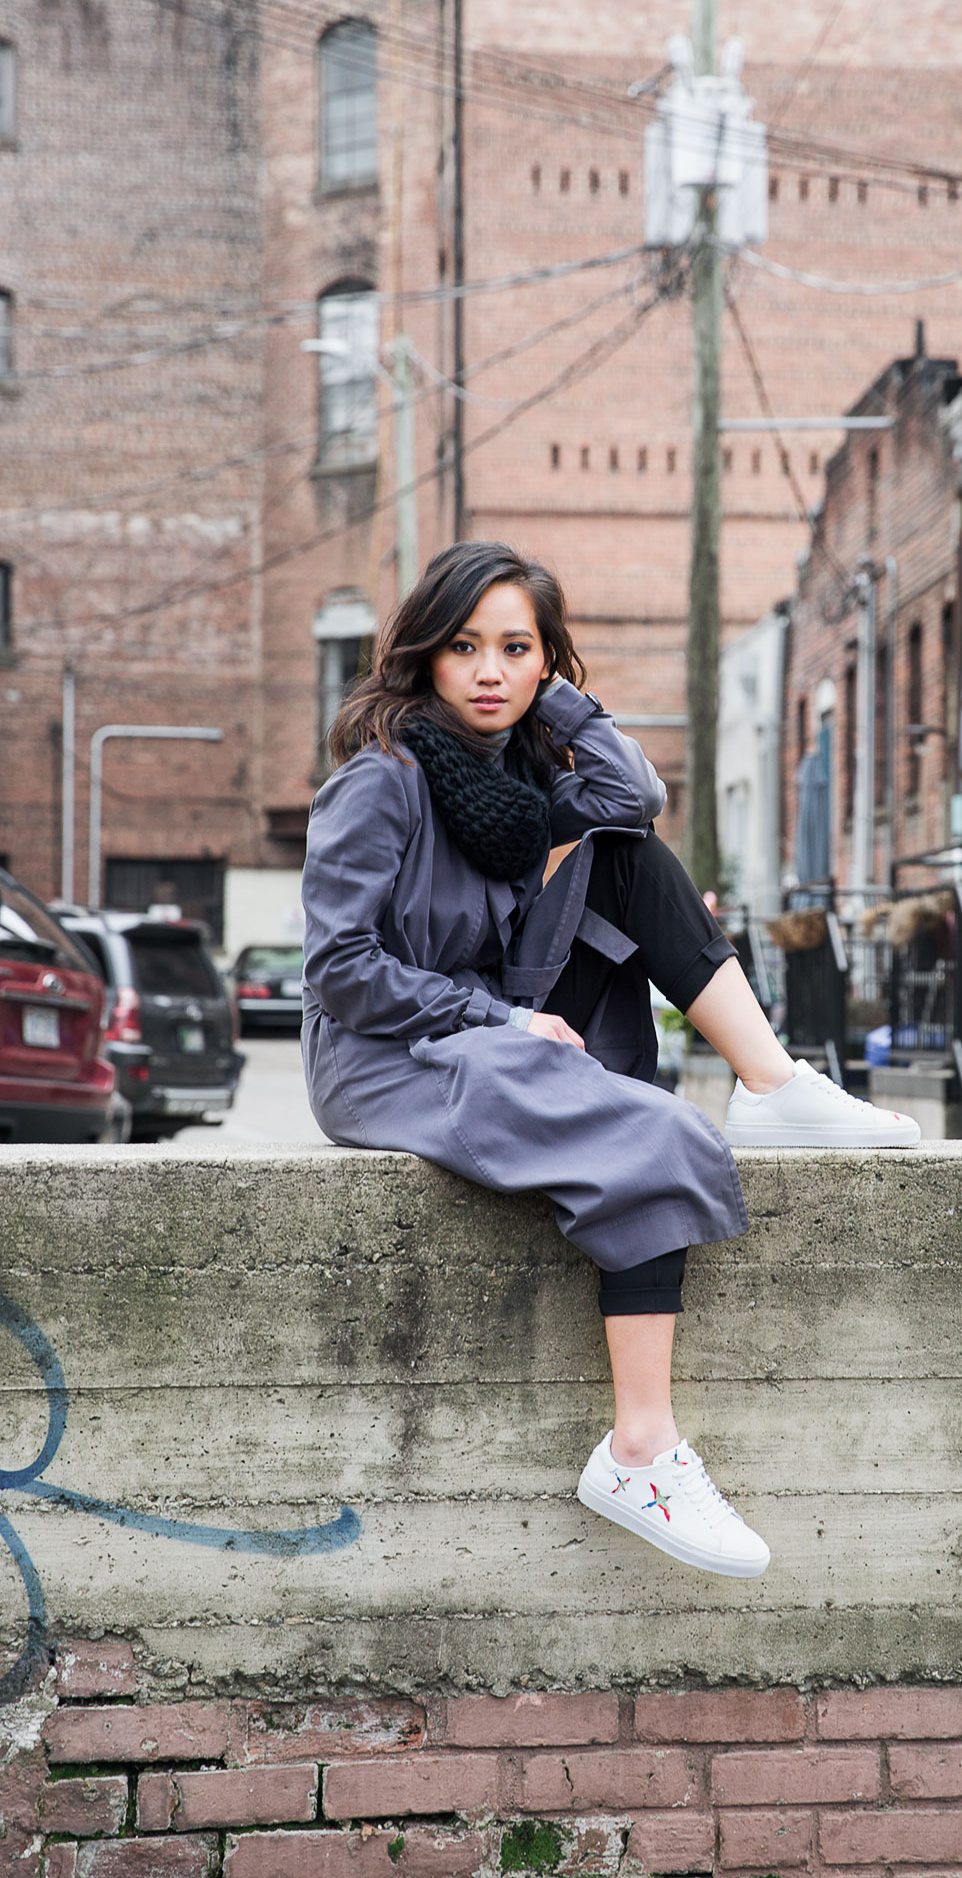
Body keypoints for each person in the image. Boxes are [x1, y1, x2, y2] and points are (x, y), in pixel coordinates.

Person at [301, 541, 919, 1580]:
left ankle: (772, 1084)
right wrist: (496, 1019)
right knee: (648, 1132)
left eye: (515, 648)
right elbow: (339, 969)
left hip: (485, 1015)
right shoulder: (386, 780)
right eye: (464, 647)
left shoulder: (525, 774)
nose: (489, 671)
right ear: (424, 657)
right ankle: (640, 1449)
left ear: (545, 663)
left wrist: (564, 709)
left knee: (624, 853)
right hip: (390, 1048)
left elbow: (635, 795)